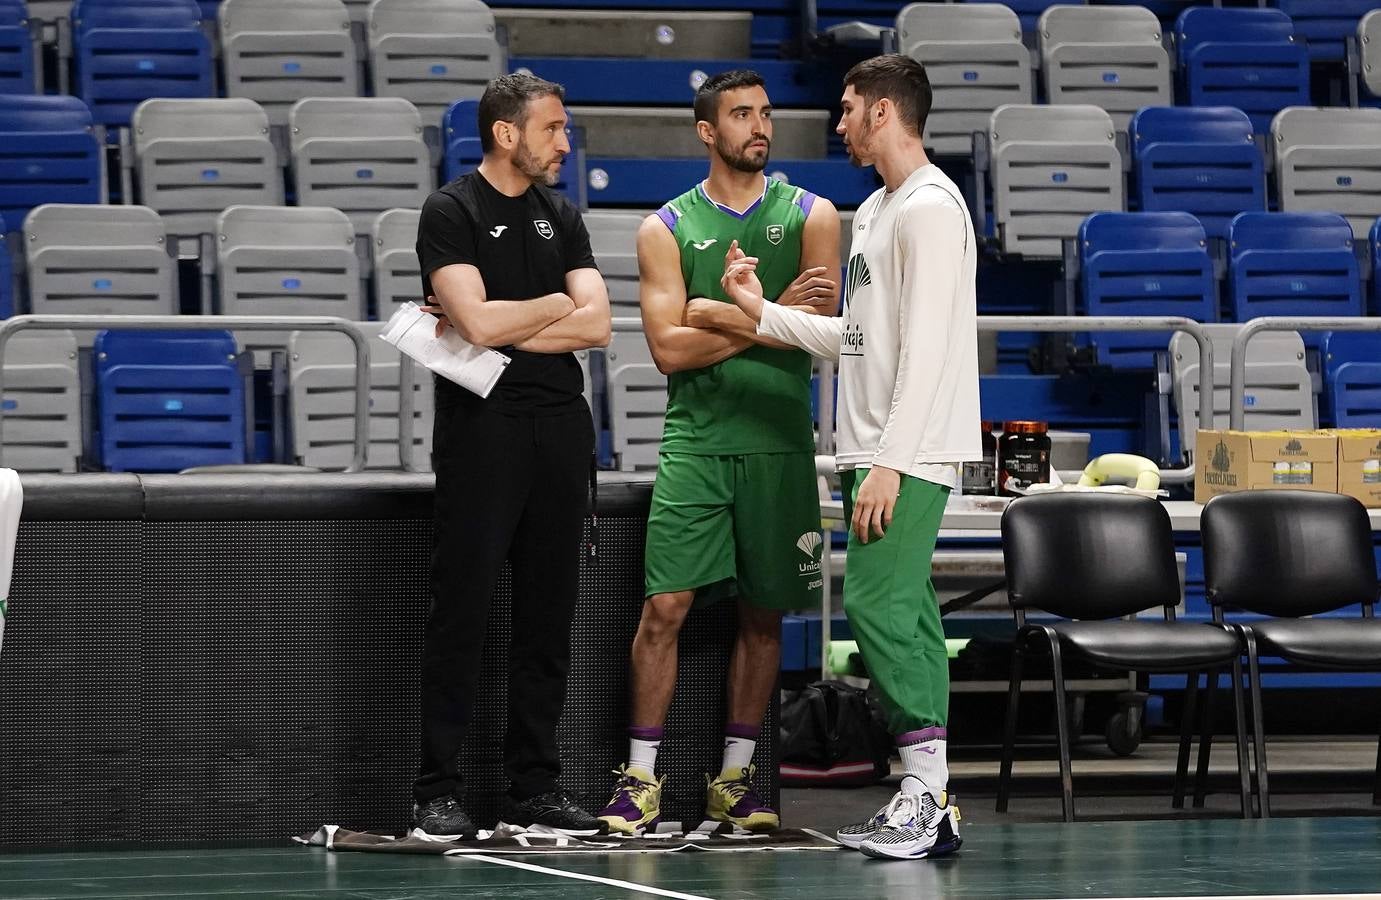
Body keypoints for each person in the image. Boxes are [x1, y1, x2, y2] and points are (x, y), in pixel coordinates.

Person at [719, 54, 979, 860]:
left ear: (882, 112)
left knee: (876, 610)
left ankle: (926, 796)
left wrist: (893, 463)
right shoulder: (872, 209)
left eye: (847, 108)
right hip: (873, 450)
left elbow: (931, 350)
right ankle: (926, 798)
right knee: (908, 617)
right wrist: (760, 314)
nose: (837, 122)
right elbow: (857, 340)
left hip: (910, 451)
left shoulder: (931, 207)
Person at [595, 69, 841, 835]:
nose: (757, 126)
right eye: (740, 114)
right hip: (695, 444)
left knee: (763, 619)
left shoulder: (815, 215)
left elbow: (822, 330)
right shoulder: (662, 228)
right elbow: (667, 351)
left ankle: (734, 781)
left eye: (764, 113)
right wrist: (762, 315)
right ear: (707, 131)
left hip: (777, 442)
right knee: (664, 608)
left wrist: (720, 310)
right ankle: (639, 778)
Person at [411, 73, 611, 839]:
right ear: (506, 133)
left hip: (560, 428)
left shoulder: (561, 214)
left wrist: (509, 318)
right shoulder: (450, 210)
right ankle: (436, 789)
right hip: (482, 431)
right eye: (553, 129)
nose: (564, 142)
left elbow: (597, 329)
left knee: (546, 619)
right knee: (460, 614)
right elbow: (473, 322)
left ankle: (534, 786)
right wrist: (555, 304)